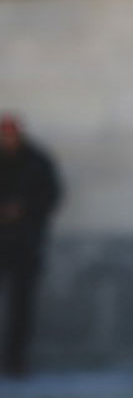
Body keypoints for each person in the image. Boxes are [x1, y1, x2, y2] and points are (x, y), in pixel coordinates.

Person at [0, 114, 62, 377]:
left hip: (26, 242)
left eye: (11, 134)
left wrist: (23, 209)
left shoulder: (37, 161)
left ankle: (16, 361)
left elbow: (52, 195)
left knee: (22, 306)